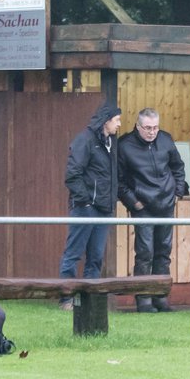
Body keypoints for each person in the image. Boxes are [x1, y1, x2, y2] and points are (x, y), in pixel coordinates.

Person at [117, 108, 188, 313]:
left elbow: (178, 167)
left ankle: (160, 298)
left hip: (166, 204)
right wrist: (134, 203)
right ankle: (144, 300)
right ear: (138, 126)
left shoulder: (165, 139)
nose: (152, 132)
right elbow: (119, 181)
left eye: (155, 127)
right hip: (143, 206)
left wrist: (177, 192)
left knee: (164, 252)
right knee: (145, 253)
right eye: (147, 128)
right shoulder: (124, 146)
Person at [59, 103, 122, 311]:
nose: (119, 125)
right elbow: (72, 175)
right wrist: (85, 199)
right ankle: (66, 299)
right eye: (117, 120)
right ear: (107, 121)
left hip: (104, 208)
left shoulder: (111, 142)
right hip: (85, 207)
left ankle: (89, 300)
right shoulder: (85, 140)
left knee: (95, 257)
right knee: (73, 254)